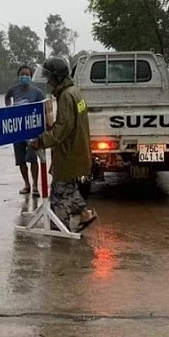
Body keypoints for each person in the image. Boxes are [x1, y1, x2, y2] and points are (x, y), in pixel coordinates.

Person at [29, 57, 98, 232]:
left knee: (59, 191)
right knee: (66, 187)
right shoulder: (74, 91)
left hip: (69, 152)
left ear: (58, 77)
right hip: (77, 148)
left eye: (50, 77)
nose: (49, 81)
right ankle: (84, 214)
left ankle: (59, 229)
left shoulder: (66, 96)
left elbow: (62, 129)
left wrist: (42, 140)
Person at [4, 65, 45, 196]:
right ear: (19, 76)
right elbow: (7, 97)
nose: (24, 77)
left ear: (30, 76)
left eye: (27, 74)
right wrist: (8, 108)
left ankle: (35, 186)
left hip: (32, 132)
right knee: (21, 160)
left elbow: (43, 107)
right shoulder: (13, 90)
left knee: (33, 158)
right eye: (22, 74)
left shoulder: (37, 92)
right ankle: (26, 184)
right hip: (17, 131)